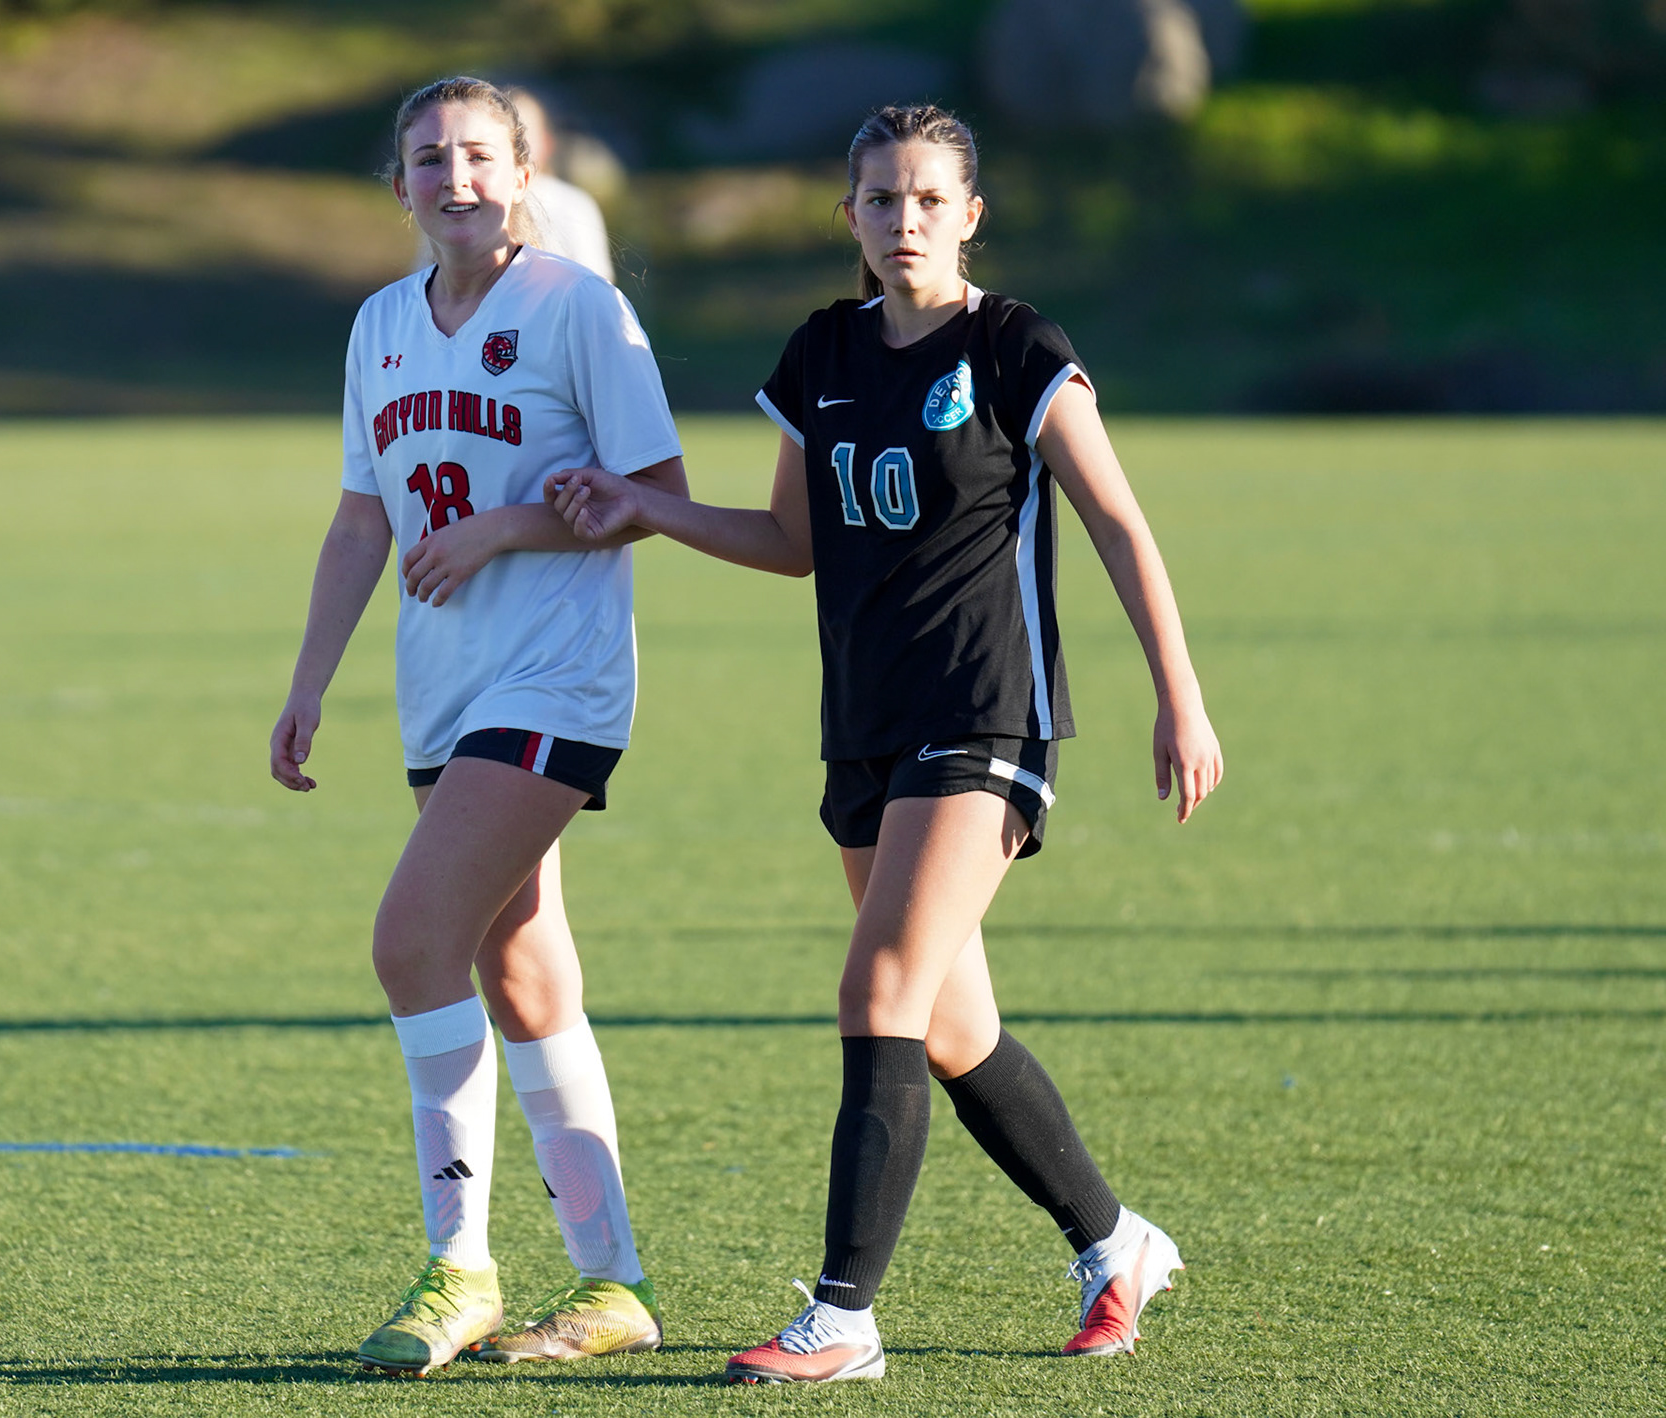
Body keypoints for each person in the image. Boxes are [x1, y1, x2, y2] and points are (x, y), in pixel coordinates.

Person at [550, 103, 1223, 1384]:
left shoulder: (1018, 346)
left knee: (876, 993)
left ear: (969, 214)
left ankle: (843, 1317)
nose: (902, 220)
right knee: (951, 1025)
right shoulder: (821, 352)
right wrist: (647, 506)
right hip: (861, 724)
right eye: (879, 198)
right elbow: (791, 540)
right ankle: (1116, 1239)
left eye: (927, 199)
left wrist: (1178, 698)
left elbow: (1121, 526)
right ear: (848, 216)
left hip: (986, 715)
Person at [269, 74, 687, 1377]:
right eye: (428, 158)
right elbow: (361, 518)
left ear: (525, 174)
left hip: (555, 679)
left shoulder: (580, 309)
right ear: (396, 186)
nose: (455, 177)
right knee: (521, 970)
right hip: (441, 688)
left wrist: (508, 525)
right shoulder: (380, 324)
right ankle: (614, 1281)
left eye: (479, 155)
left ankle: (460, 1267)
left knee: (411, 941)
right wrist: (308, 681)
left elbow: (657, 493)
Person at [506, 87, 616, 283]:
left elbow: (595, 282)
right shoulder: (475, 204)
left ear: (547, 142)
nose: (515, 146)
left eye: (523, 135)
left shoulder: (572, 205)